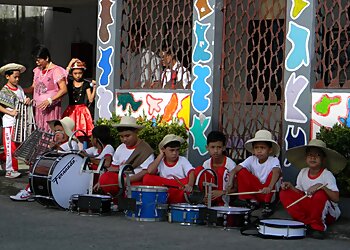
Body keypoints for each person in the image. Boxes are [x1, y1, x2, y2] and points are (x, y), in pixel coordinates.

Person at [279, 139, 346, 239]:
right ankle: (305, 223)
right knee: (284, 193)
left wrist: (321, 186)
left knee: (320, 194)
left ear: (323, 159)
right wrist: (291, 187)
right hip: (309, 209)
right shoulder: (303, 172)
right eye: (310, 155)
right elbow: (301, 193)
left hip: (327, 213)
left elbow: (336, 198)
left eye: (317, 155)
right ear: (306, 158)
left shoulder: (327, 175)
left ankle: (317, 227)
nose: (313, 157)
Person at [9, 117, 78, 201]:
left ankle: (30, 191)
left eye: (60, 131)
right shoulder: (57, 143)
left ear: (67, 132)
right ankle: (32, 190)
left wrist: (56, 147)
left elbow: (68, 156)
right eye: (56, 131)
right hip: (56, 168)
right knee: (35, 167)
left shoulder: (72, 143)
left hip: (65, 171)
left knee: (39, 169)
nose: (57, 133)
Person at [226, 129, 281, 217]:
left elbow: (277, 171)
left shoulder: (273, 160)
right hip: (256, 190)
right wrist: (230, 182)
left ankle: (268, 204)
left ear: (270, 150)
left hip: (268, 189)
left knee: (273, 173)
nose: (259, 151)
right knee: (241, 171)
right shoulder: (251, 159)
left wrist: (269, 187)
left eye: (262, 148)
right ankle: (251, 200)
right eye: (256, 148)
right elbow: (235, 170)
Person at [96, 116, 154, 196]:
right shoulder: (120, 148)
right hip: (120, 180)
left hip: (135, 182)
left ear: (136, 132)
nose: (124, 140)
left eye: (127, 136)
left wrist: (126, 180)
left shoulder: (145, 150)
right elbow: (113, 168)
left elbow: (145, 172)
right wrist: (101, 180)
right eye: (121, 137)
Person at [25, 45, 67, 131]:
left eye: (39, 60)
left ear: (46, 58)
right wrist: (21, 90)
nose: (37, 62)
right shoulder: (37, 70)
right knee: (38, 132)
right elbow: (33, 87)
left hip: (50, 109)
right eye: (36, 60)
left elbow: (63, 89)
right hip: (38, 109)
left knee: (49, 132)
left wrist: (49, 100)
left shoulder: (56, 70)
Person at [143, 134, 195, 204]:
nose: (175, 153)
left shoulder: (182, 160)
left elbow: (191, 172)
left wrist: (190, 185)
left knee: (196, 172)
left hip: (180, 190)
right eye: (171, 150)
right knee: (147, 178)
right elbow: (150, 171)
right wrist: (161, 155)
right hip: (167, 190)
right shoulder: (160, 162)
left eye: (177, 150)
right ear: (164, 150)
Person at [0, 63, 30, 178]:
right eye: (15, 77)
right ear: (7, 76)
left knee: (17, 147)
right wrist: (10, 112)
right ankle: (10, 170)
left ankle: (3, 160)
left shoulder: (20, 88)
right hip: (9, 123)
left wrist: (27, 100)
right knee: (10, 147)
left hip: (19, 123)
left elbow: (22, 101)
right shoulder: (4, 91)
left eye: (18, 77)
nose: (17, 79)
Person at [196, 131, 237, 206]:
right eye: (212, 147)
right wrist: (204, 197)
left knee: (222, 171)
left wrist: (222, 192)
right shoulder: (206, 164)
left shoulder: (230, 165)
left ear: (224, 148)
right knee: (199, 170)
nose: (215, 151)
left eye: (219, 147)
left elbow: (236, 189)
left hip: (225, 203)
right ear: (207, 148)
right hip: (209, 201)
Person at [63, 59, 96, 139]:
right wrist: (70, 63)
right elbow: (63, 75)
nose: (78, 75)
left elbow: (90, 99)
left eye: (80, 73)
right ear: (72, 73)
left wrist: (94, 88)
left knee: (82, 133)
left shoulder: (86, 84)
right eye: (75, 73)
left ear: (83, 73)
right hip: (71, 109)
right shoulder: (69, 83)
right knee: (69, 132)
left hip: (82, 111)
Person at [129, 23, 161, 88]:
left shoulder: (151, 57)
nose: (130, 43)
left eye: (133, 39)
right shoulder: (131, 57)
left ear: (138, 40)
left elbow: (157, 81)